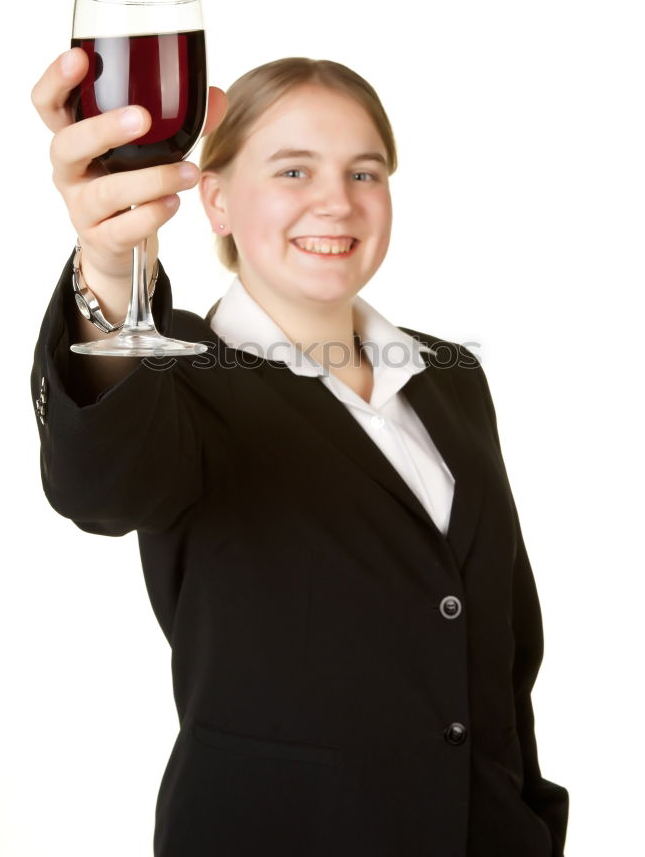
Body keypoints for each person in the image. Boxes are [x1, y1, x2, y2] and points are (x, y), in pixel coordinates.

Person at [30, 47, 570, 856]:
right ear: (214, 200)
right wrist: (112, 267)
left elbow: (502, 643)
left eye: (365, 172)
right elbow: (97, 488)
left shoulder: (448, 376)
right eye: (292, 172)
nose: (337, 204)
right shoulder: (170, 372)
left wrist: (526, 815)